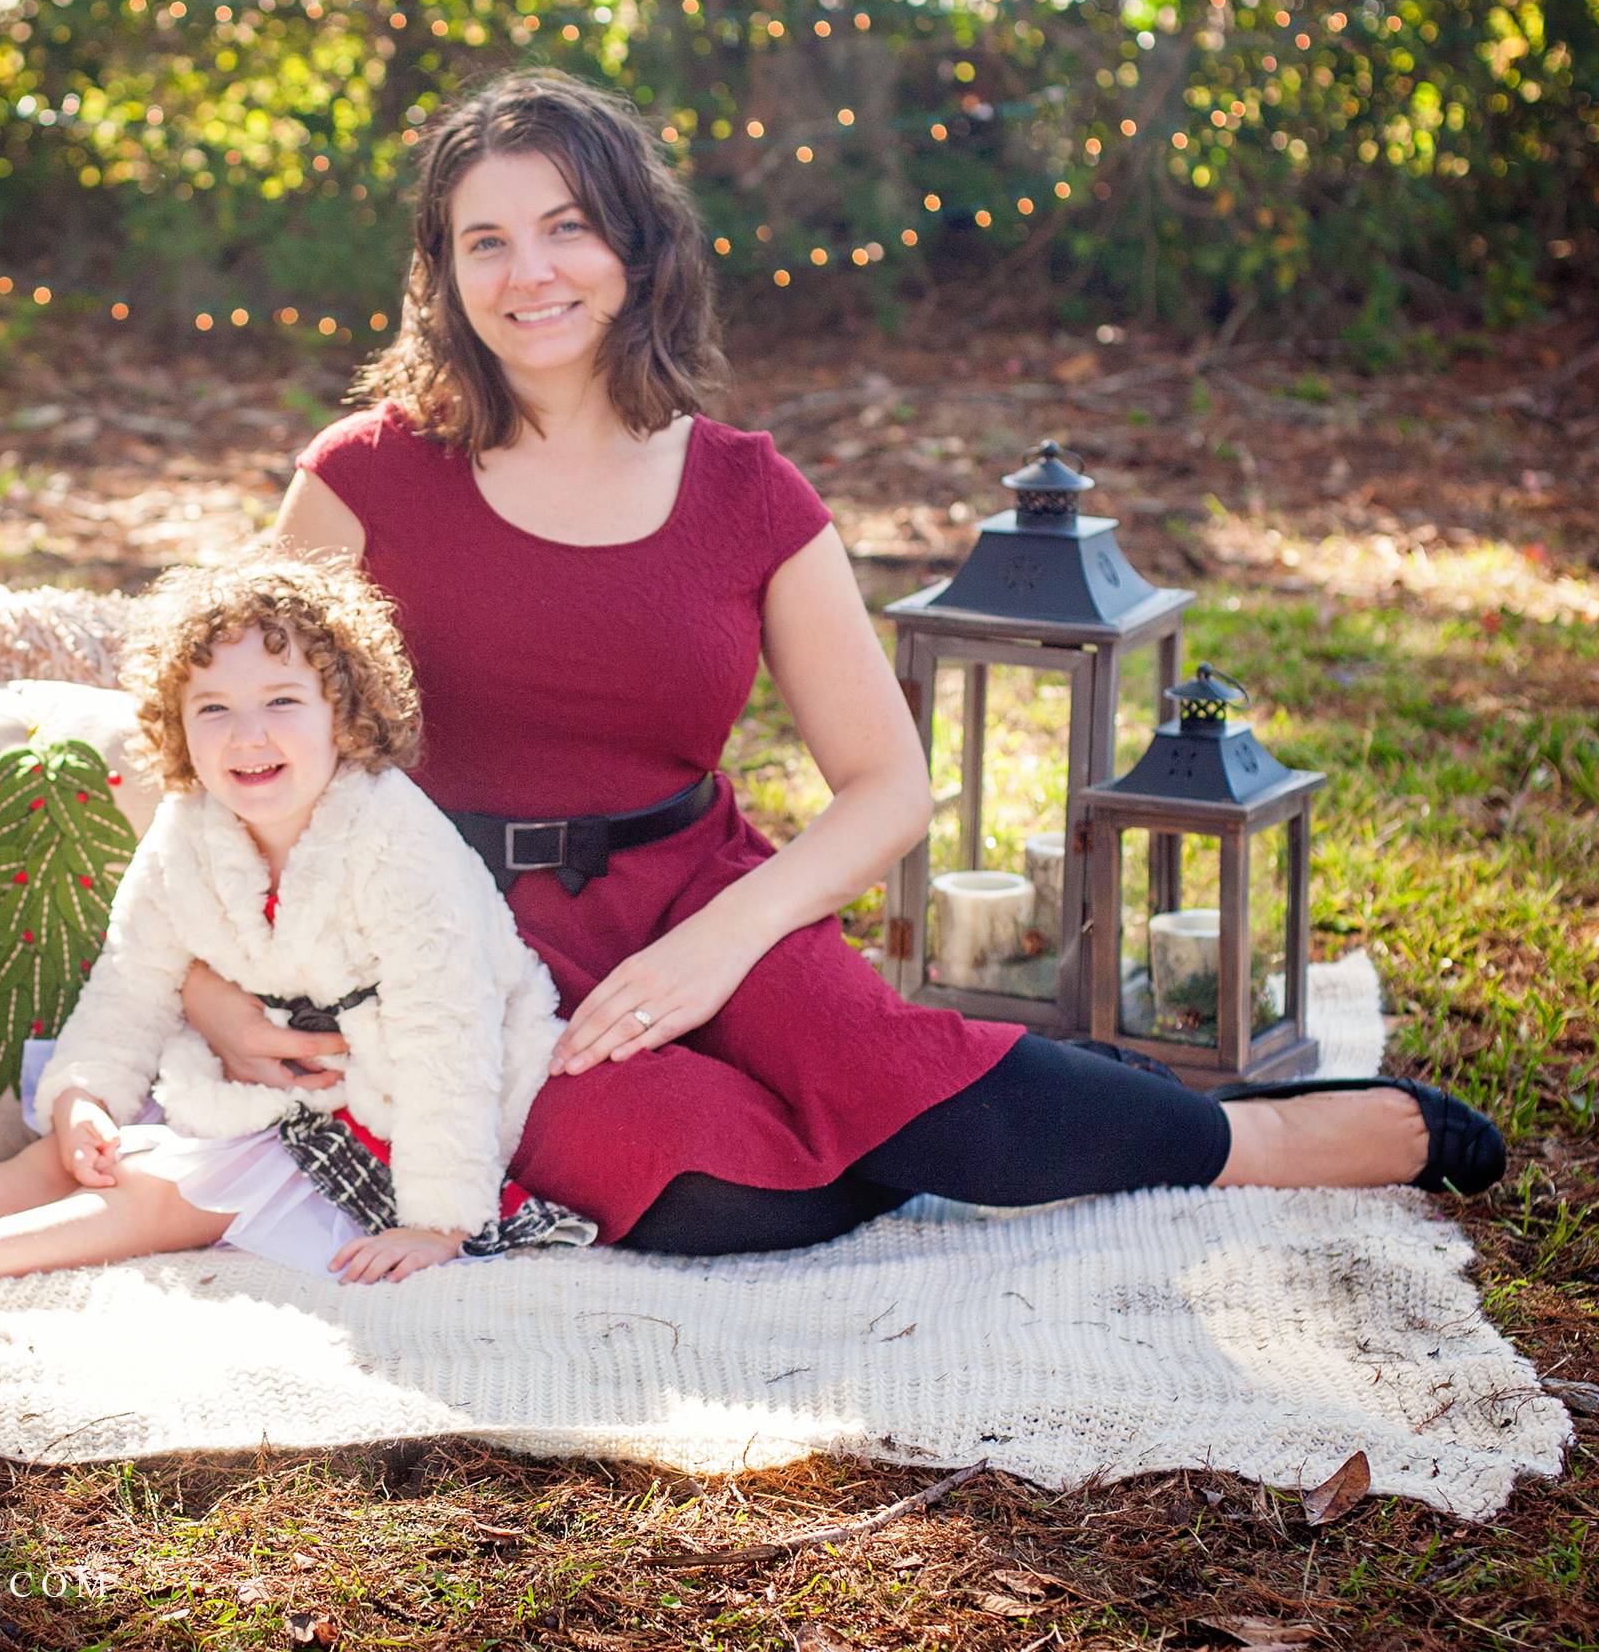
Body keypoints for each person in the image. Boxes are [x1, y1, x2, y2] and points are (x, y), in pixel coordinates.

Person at [172, 66, 1504, 1256]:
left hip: (707, 896)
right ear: (443, 275)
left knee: (907, 1088)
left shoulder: (748, 492)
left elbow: (885, 783)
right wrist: (217, 994)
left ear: (636, 247)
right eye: (488, 241)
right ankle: (1042, 1097)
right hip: (451, 932)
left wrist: (719, 945)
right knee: (707, 1192)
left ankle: (1254, 1139)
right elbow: (200, 743)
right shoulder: (365, 479)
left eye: (568, 226)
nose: (533, 273)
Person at [0, 554, 591, 1328]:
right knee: (66, 1157)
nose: (248, 736)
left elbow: (451, 1033)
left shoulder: (402, 846)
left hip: (406, 1113)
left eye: (282, 701)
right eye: (213, 709)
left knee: (172, 1186)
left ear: (347, 717)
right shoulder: (189, 833)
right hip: (269, 1087)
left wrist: (439, 1217)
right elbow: (133, 978)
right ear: (178, 728)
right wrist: (83, 1096)